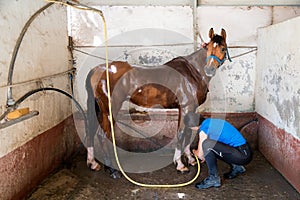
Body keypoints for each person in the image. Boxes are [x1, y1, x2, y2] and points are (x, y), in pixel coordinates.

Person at [184, 112, 253, 189]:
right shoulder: (209, 121)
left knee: (207, 144)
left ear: (192, 126)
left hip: (242, 155)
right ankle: (237, 167)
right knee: (210, 145)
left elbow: (200, 154)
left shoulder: (204, 129)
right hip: (245, 150)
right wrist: (206, 153)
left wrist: (194, 151)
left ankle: (213, 178)